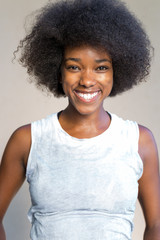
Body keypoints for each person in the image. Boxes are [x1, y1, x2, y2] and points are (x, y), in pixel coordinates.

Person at [0, 0, 160, 239]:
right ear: (58, 71)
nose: (87, 80)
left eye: (101, 67)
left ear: (117, 72)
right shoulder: (28, 140)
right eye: (74, 67)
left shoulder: (139, 140)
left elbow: (156, 223)